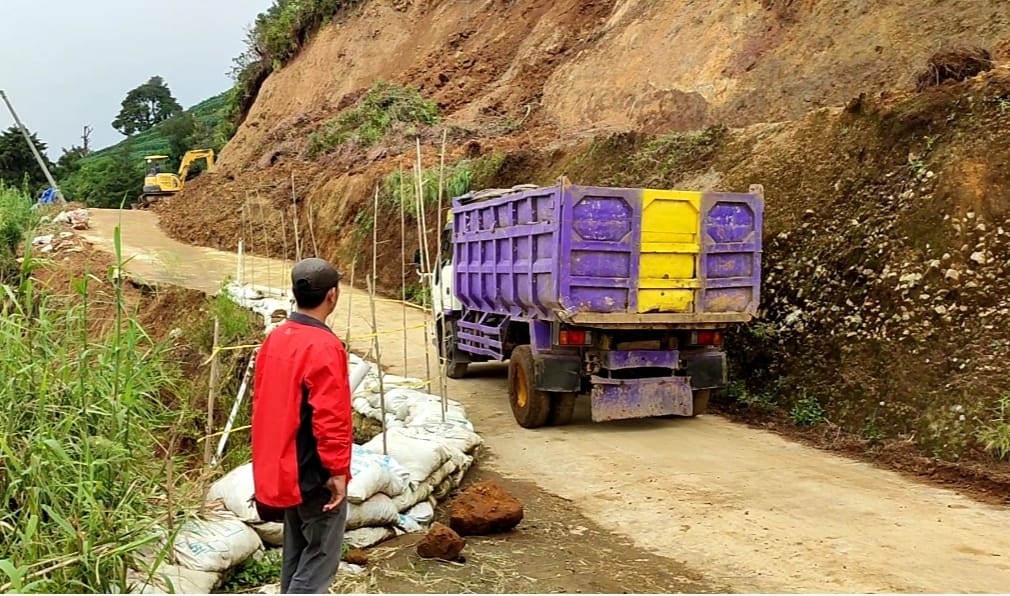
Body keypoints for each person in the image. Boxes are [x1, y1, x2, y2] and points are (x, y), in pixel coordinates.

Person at [251, 257, 353, 594]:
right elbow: (331, 417)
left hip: (282, 466)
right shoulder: (324, 346)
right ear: (333, 296)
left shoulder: (277, 338)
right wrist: (337, 472)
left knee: (296, 550)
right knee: (321, 555)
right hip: (312, 469)